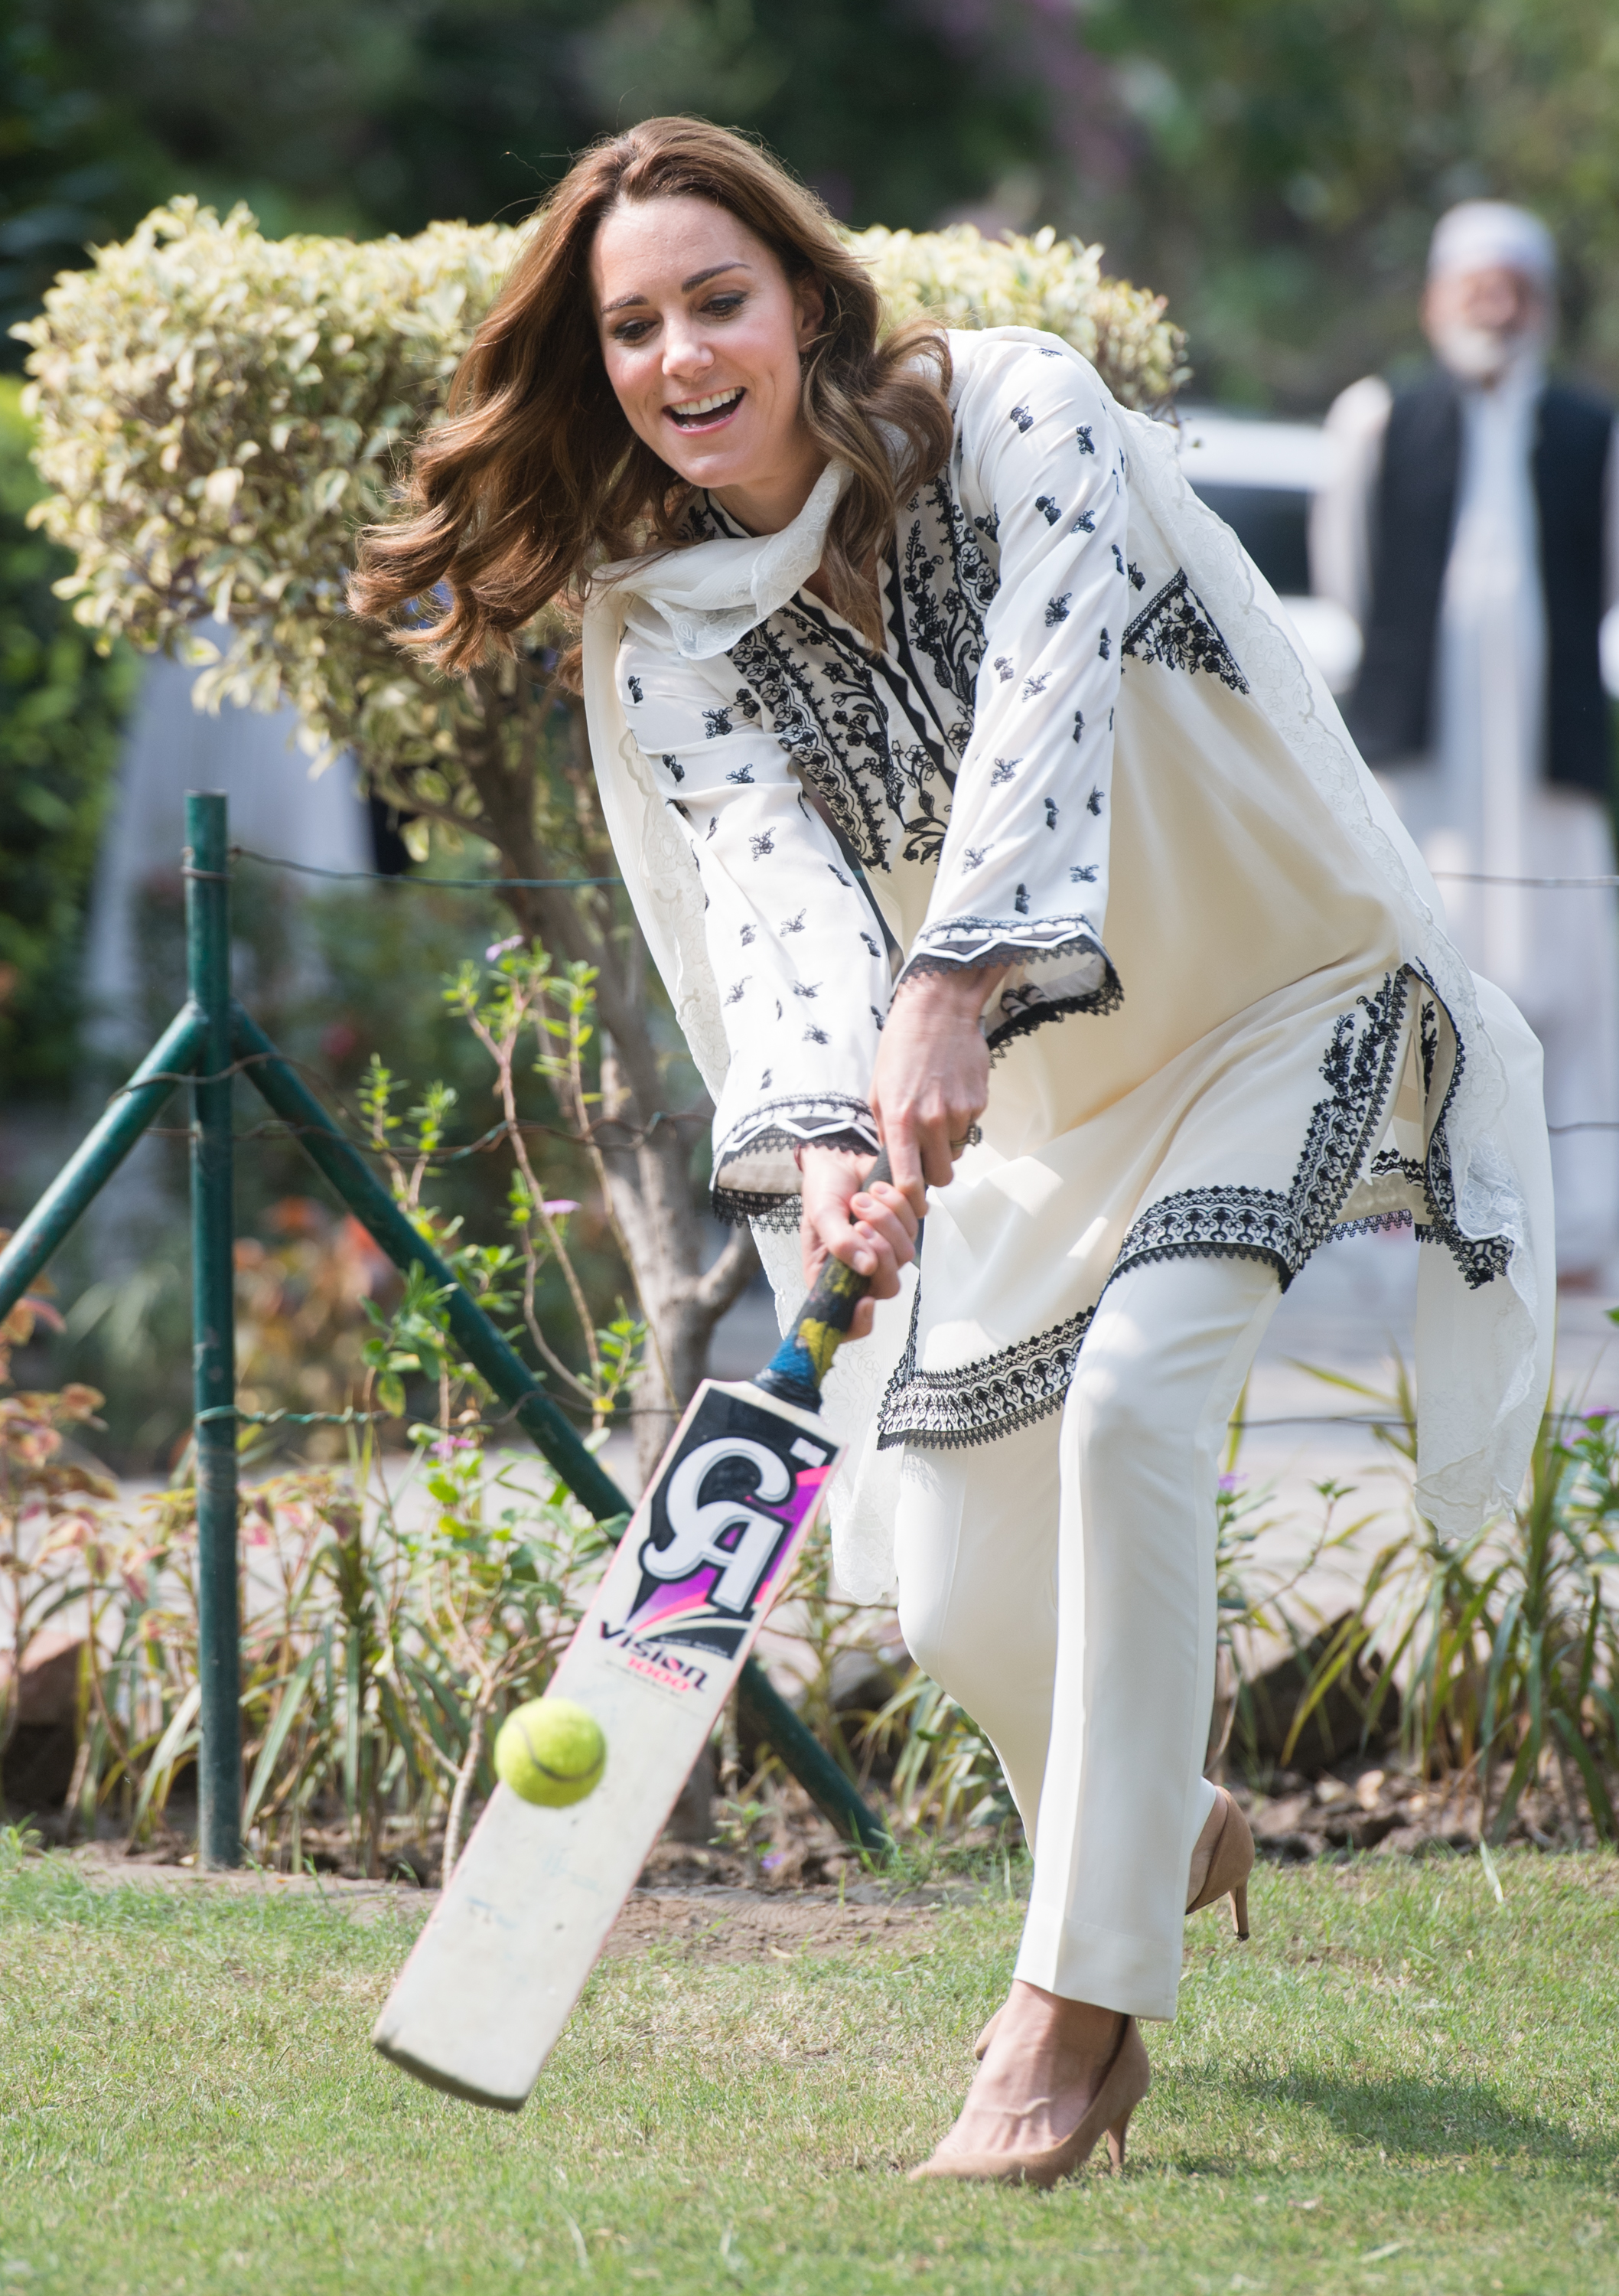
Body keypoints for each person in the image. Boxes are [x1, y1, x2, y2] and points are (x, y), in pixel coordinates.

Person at [353, 120, 1552, 2187]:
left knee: (1132, 1422)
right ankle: (1152, 1824)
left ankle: (1062, 2026)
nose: (675, 352)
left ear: (806, 300)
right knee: (951, 1592)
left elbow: (1044, 692)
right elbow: (768, 894)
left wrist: (954, 981)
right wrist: (827, 1129)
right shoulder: (662, 623)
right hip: (1043, 1114)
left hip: (1281, 994)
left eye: (713, 298)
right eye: (629, 327)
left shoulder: (1015, 409)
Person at [1312, 200, 1619, 1283]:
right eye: (1473, 287)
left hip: (1548, 760)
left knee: (1573, 980)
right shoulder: (1379, 419)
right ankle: (1408, 1212)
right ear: (1438, 303)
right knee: (1418, 971)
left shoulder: (1597, 432)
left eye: (1513, 288)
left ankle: (1578, 1226)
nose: (1493, 307)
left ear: (1540, 304)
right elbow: (1348, 572)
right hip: (1424, 756)